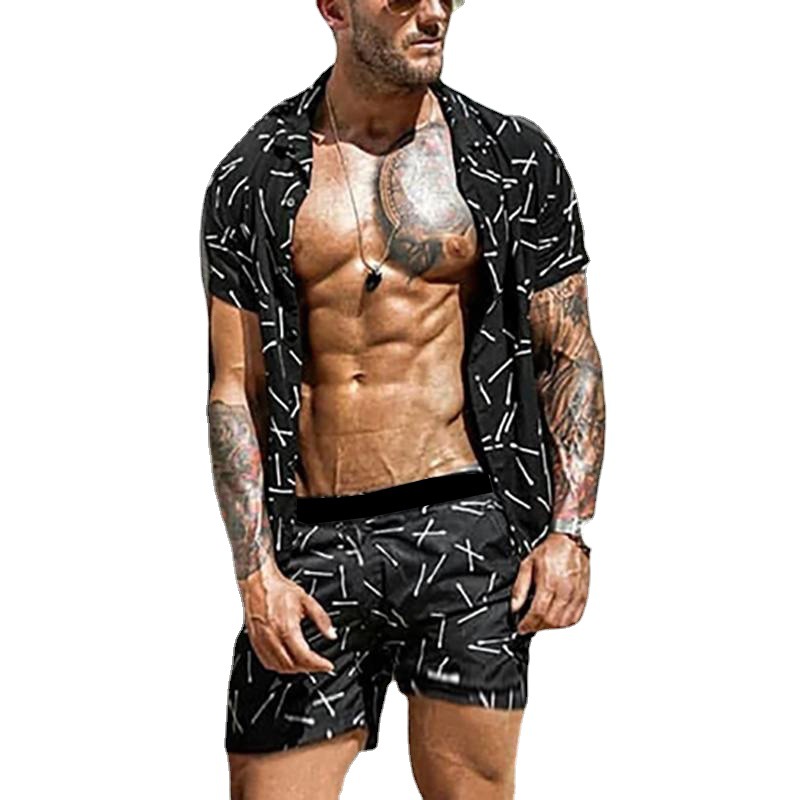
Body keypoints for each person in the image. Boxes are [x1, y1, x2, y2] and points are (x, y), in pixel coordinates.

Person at [200, 1, 605, 797]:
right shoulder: (255, 174)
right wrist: (255, 572)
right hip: (315, 537)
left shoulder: (509, 157)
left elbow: (569, 353)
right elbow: (235, 390)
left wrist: (569, 530)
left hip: (465, 527)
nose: (432, 13)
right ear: (333, 7)